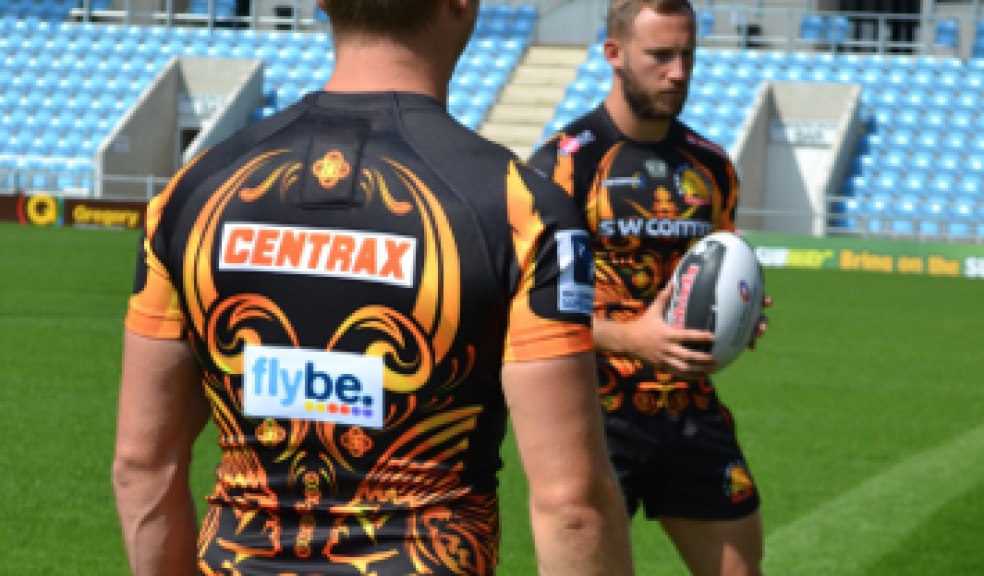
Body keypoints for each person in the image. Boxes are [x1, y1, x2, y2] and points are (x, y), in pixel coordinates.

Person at [112, 1, 635, 575]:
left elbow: (142, 466)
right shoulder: (523, 209)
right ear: (463, 4)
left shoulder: (192, 192)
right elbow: (571, 505)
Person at [528, 1, 770, 575]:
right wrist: (630, 338)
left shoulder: (711, 165)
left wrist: (743, 311)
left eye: (687, 54)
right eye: (660, 55)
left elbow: (723, 266)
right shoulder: (563, 165)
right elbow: (527, 306)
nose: (678, 72)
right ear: (613, 54)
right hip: (595, 416)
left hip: (690, 408)